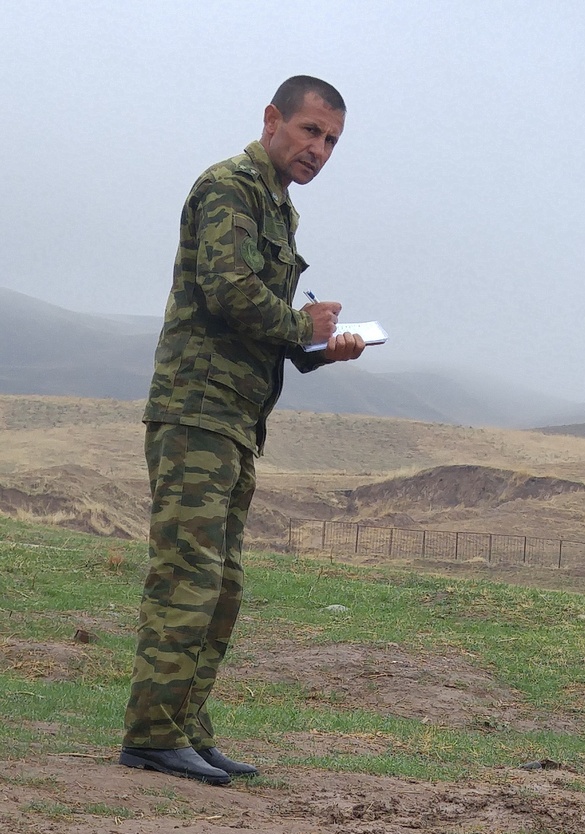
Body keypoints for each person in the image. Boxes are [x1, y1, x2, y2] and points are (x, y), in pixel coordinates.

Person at [120, 75, 365, 786]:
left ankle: (185, 728)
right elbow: (228, 291)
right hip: (195, 408)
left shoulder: (279, 210)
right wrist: (300, 326)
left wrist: (323, 346)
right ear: (272, 120)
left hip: (233, 418)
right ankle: (151, 733)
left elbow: (265, 325)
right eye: (311, 131)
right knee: (188, 574)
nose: (319, 150)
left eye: (331, 142)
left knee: (221, 582)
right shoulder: (229, 187)